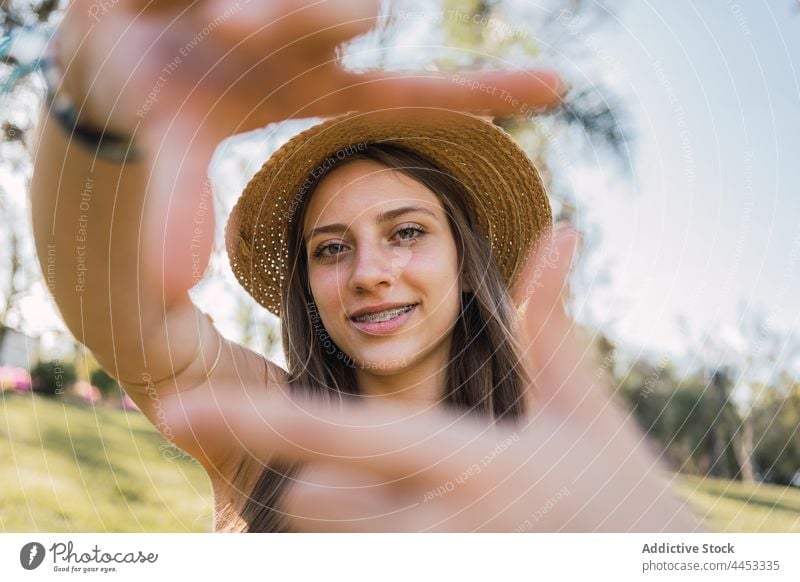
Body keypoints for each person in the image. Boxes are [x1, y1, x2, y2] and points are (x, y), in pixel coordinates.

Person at [31, 1, 696, 532]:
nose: (369, 273)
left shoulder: (559, 475)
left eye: (406, 232)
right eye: (331, 247)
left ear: (467, 264)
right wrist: (97, 119)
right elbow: (122, 313)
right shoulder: (265, 431)